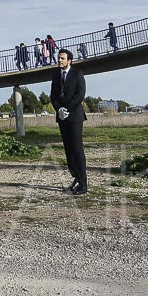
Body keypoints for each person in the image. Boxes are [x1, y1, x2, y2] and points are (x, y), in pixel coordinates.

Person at [50, 49, 87, 195]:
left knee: (77, 149)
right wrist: (59, 109)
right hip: (61, 116)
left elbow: (80, 95)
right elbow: (52, 96)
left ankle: (83, 185)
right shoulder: (55, 76)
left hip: (75, 116)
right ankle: (76, 178)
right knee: (68, 150)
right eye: (59, 58)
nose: (59, 60)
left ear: (69, 60)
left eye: (62, 58)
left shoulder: (77, 74)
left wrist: (66, 109)